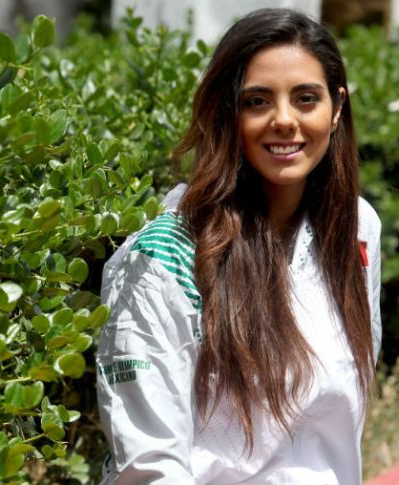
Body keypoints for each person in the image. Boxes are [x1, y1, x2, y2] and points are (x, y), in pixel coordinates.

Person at [95, 7, 382, 485]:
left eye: (306, 98)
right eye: (257, 101)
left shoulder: (355, 228)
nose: (284, 120)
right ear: (226, 112)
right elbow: (150, 467)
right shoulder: (165, 256)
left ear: (336, 109)